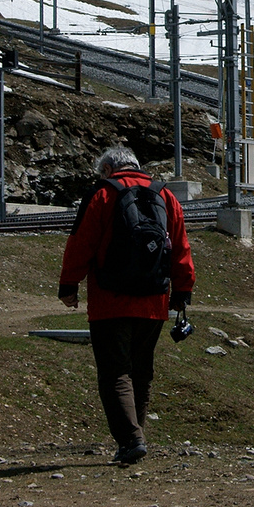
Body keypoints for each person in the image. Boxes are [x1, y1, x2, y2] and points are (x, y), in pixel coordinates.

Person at [58, 146, 195, 465]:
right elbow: (181, 246)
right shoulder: (165, 195)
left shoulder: (102, 194)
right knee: (141, 371)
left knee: (115, 371)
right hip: (154, 301)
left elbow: (81, 242)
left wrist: (68, 286)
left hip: (110, 300)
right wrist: (182, 291)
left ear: (108, 169)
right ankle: (135, 437)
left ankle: (132, 439)